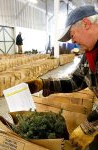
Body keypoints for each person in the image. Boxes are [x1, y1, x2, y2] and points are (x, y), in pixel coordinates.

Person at [26, 5, 98, 150]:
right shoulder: (89, 55)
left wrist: (90, 126)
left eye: (72, 35)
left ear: (86, 24)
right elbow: (76, 81)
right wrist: (45, 84)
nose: (72, 42)